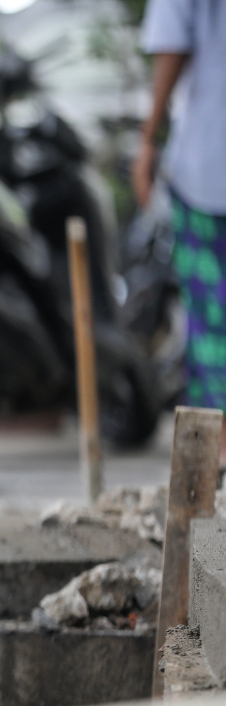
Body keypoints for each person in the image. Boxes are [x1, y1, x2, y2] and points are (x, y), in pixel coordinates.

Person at [133, 0, 226, 411]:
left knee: (212, 314)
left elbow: (173, 44)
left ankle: (220, 435)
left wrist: (148, 138)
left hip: (210, 163)